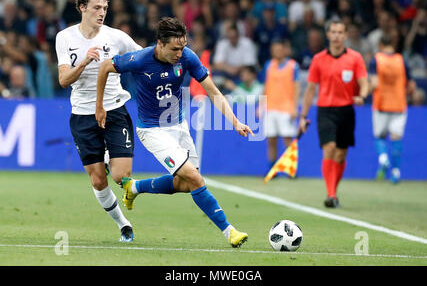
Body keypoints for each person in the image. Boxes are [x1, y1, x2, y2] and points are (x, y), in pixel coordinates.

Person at [95, 17, 252, 248]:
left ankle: (135, 187)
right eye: (175, 49)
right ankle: (229, 231)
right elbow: (105, 66)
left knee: (186, 184)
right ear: (160, 44)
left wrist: (235, 121)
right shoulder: (139, 59)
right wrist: (100, 106)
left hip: (179, 127)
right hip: (152, 131)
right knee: (196, 179)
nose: (180, 53)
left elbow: (213, 91)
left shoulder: (188, 57)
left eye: (183, 47)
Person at [55, 0, 142, 242]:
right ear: (82, 8)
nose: (101, 12)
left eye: (104, 7)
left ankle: (108, 156)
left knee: (121, 176)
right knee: (98, 181)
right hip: (82, 114)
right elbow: (63, 81)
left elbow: (142, 57)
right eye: (96, 8)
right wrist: (84, 61)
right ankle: (123, 224)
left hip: (114, 109)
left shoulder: (116, 37)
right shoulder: (65, 37)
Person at [298, 19, 369, 208]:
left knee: (341, 154)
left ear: (345, 35)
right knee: (329, 148)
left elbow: (364, 82)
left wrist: (362, 96)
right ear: (328, 35)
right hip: (325, 110)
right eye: (334, 32)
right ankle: (331, 194)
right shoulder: (318, 59)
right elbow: (311, 89)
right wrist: (303, 116)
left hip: (346, 110)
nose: (337, 36)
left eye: (340, 32)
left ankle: (333, 192)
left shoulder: (355, 58)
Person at [369, 35, 416, 183]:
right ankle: (396, 172)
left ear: (381, 44)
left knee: (379, 136)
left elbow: (375, 84)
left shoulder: (376, 60)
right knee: (396, 137)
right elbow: (412, 86)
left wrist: (367, 90)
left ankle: (383, 159)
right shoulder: (402, 60)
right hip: (399, 104)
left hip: (381, 104)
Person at [258, 39, 300, 176]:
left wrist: (295, 107)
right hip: (270, 107)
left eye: (279, 49)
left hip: (286, 108)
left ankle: (290, 169)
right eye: (274, 49)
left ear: (284, 50)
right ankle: (272, 168)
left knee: (287, 139)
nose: (277, 52)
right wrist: (261, 105)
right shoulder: (269, 65)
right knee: (271, 139)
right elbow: (266, 86)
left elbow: (297, 88)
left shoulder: (293, 66)